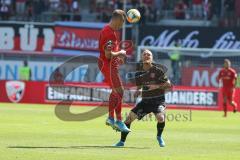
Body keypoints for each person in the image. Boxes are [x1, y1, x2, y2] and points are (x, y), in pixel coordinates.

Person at [114, 49, 172, 147]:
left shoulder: (158, 70)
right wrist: (138, 90)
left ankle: (159, 136)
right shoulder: (138, 73)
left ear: (152, 58)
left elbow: (168, 84)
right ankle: (122, 142)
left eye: (148, 54)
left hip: (158, 102)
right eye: (144, 54)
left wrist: (156, 86)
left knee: (160, 117)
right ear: (141, 57)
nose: (146, 56)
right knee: (128, 120)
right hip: (145, 102)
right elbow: (140, 86)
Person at [98, 9, 130, 133]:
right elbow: (108, 55)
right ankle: (118, 120)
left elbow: (111, 53)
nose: (122, 25)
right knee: (120, 91)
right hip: (107, 65)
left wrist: (118, 58)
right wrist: (120, 53)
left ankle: (111, 118)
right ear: (116, 19)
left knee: (116, 91)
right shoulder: (109, 33)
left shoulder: (110, 30)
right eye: (122, 22)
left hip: (110, 64)